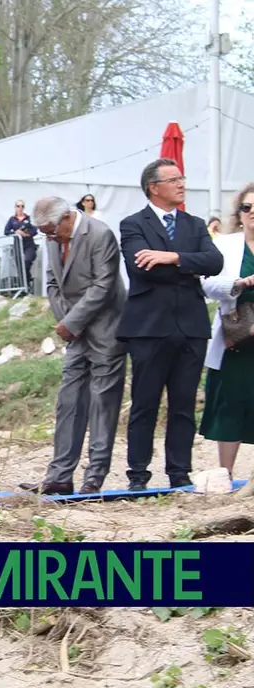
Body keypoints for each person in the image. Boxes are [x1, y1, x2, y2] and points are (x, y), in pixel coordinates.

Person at [116, 158, 224, 490]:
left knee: (183, 404)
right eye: (174, 179)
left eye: (182, 178)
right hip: (149, 328)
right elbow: (140, 268)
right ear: (154, 187)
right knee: (145, 403)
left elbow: (215, 262)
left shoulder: (193, 224)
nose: (182, 184)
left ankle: (179, 472)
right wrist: (188, 266)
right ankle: (138, 475)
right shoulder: (132, 224)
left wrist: (172, 257)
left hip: (190, 327)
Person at [19, 197, 127, 495]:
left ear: (67, 217)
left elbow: (103, 286)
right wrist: (65, 321)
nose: (48, 238)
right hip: (75, 331)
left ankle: (94, 476)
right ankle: (59, 475)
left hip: (106, 328)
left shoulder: (100, 234)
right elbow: (52, 283)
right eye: (43, 233)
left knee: (103, 403)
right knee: (68, 401)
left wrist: (72, 321)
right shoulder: (52, 237)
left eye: (51, 231)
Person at [199, 184, 254, 477]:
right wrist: (239, 283)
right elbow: (207, 283)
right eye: (247, 208)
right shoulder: (225, 245)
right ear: (239, 214)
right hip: (237, 336)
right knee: (229, 401)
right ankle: (225, 473)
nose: (253, 213)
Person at [4, 200, 39, 293]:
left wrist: (28, 234)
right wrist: (15, 232)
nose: (20, 208)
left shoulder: (29, 218)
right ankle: (24, 286)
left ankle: (28, 280)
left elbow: (35, 230)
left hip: (28, 243)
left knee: (27, 260)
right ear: (15, 207)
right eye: (18, 206)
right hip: (18, 243)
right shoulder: (12, 219)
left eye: (22, 206)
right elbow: (6, 231)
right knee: (19, 265)